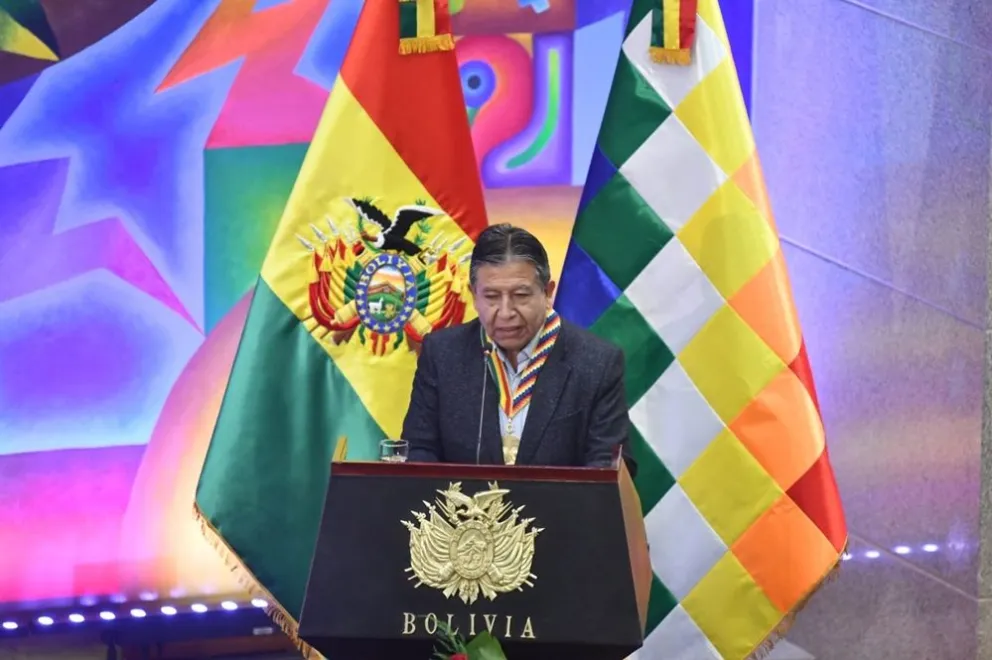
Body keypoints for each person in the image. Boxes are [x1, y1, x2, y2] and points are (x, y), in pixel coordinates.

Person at [402, 223, 636, 476]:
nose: (505, 313)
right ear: (474, 295)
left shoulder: (597, 362)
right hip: (462, 513)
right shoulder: (442, 353)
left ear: (547, 293)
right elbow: (419, 452)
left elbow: (610, 468)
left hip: (558, 513)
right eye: (491, 296)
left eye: (521, 295)